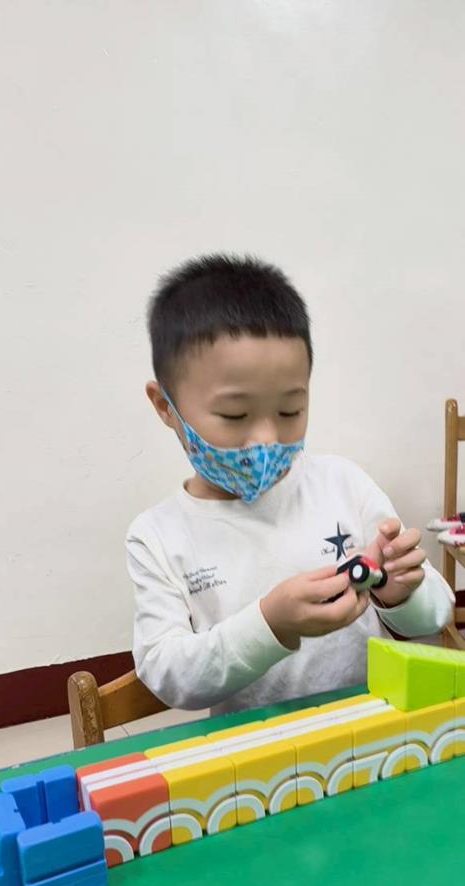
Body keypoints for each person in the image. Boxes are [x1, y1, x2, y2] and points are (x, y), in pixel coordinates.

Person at [125, 254, 453, 714]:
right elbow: (168, 674)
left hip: (366, 725)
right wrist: (270, 624)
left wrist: (398, 593)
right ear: (165, 406)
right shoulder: (158, 536)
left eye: (289, 411)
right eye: (235, 414)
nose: (266, 438)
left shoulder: (342, 484)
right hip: (255, 746)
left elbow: (436, 612)